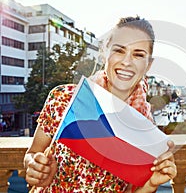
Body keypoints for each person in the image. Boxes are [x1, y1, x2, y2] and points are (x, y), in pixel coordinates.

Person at [24, 16, 177, 192]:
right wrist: (35, 166)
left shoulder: (145, 130)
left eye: (138, 55)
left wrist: (150, 184)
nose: (126, 62)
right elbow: (33, 152)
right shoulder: (64, 98)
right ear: (105, 53)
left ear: (148, 64)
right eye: (119, 51)